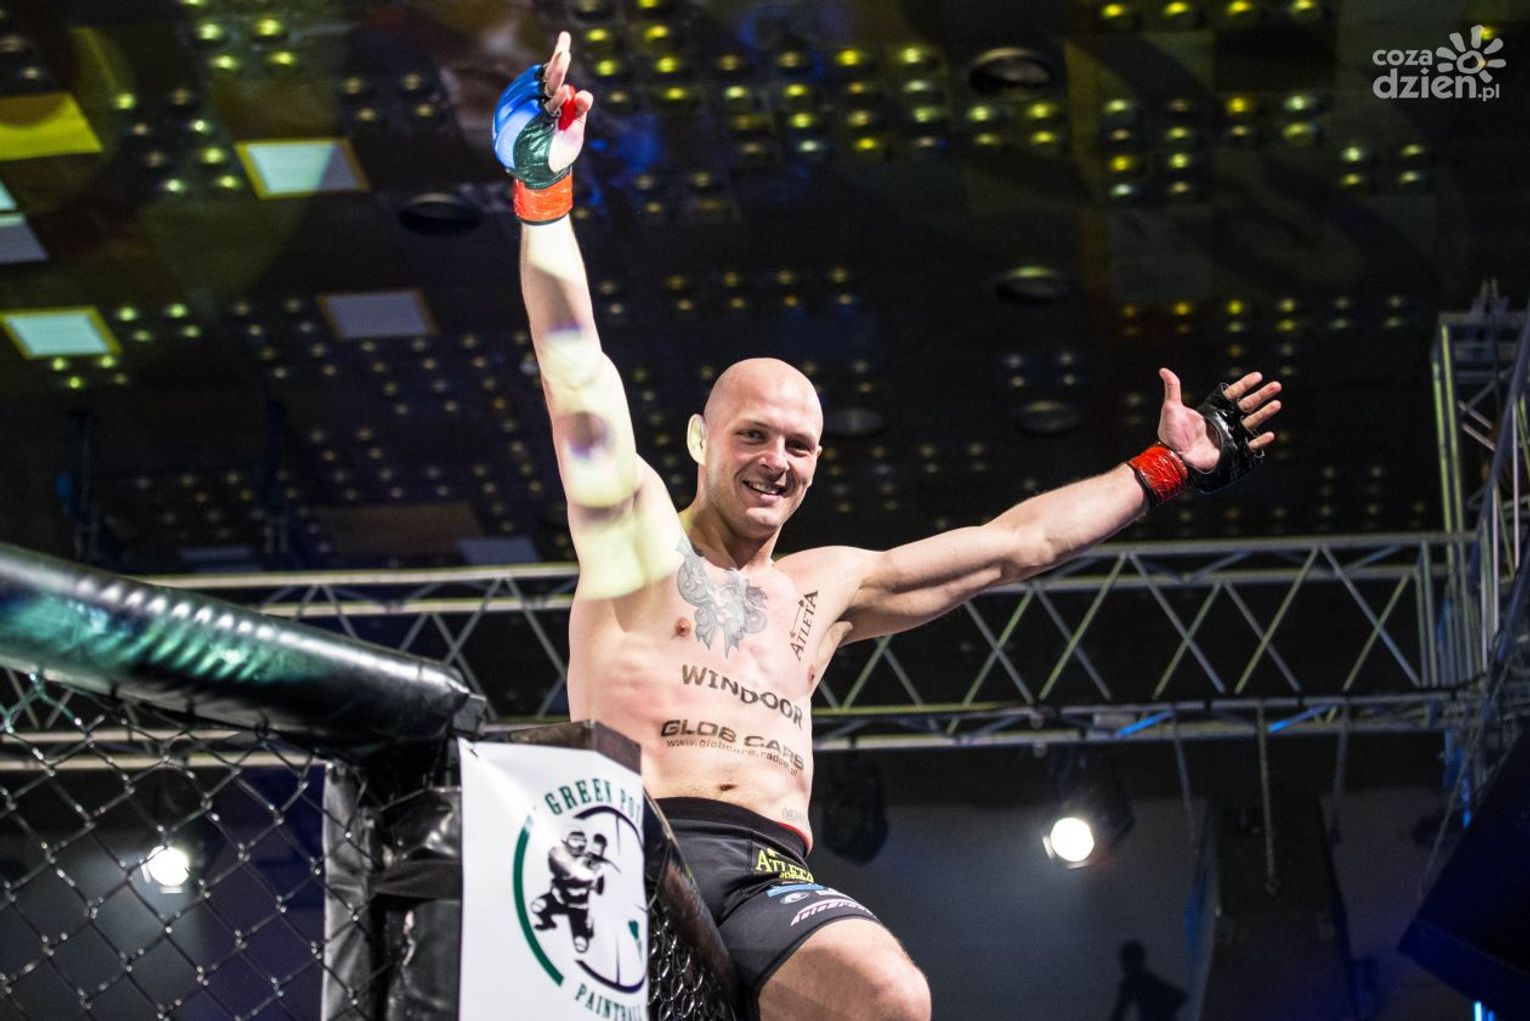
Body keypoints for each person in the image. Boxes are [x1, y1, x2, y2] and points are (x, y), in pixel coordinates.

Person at [497, 32, 1281, 1021]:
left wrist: (1164, 468)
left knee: (892, 996)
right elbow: (574, 367)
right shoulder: (638, 536)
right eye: (752, 435)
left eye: (799, 445)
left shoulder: (824, 588)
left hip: (767, 874)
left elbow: (1019, 544)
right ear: (699, 438)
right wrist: (544, 195)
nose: (776, 460)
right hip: (629, 852)